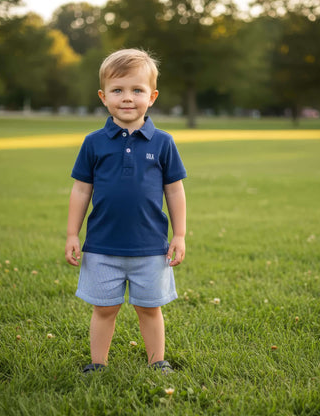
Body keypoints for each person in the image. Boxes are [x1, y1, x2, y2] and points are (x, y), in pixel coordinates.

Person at [65, 48, 187, 374]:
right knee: (104, 309)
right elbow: (81, 189)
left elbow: (174, 190)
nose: (127, 98)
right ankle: (97, 364)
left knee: (150, 309)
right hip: (102, 247)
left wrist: (179, 234)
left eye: (137, 90)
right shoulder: (94, 143)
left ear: (153, 96)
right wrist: (72, 234)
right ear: (104, 97)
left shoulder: (163, 142)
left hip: (151, 247)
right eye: (118, 90)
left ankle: (157, 361)